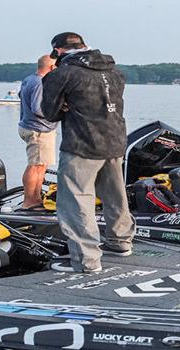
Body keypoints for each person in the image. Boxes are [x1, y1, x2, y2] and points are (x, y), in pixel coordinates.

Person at [41, 31, 133, 274]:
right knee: (115, 195)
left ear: (58, 52)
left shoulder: (63, 73)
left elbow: (49, 113)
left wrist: (63, 104)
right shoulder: (114, 72)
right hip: (115, 141)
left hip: (81, 143)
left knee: (76, 201)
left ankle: (86, 260)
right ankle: (120, 242)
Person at [17, 55, 58, 211]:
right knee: (35, 166)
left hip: (29, 127)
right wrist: (59, 111)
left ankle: (36, 199)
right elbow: (38, 109)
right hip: (38, 130)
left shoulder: (29, 79)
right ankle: (29, 202)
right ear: (52, 68)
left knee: (41, 165)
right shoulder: (40, 82)